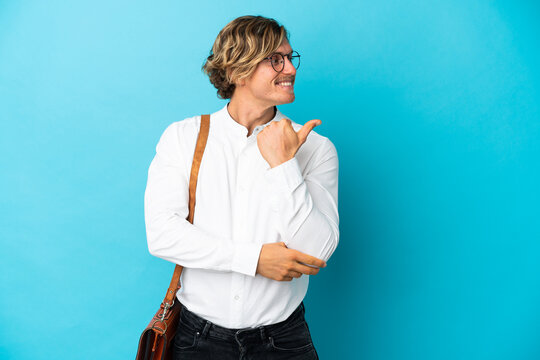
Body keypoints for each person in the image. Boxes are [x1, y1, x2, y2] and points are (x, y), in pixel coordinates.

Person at [144, 15, 339, 359]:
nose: (290, 70)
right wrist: (254, 259)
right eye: (274, 60)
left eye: (290, 58)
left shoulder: (315, 147)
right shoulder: (183, 136)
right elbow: (162, 234)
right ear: (236, 71)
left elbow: (318, 251)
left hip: (283, 341)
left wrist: (283, 165)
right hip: (195, 339)